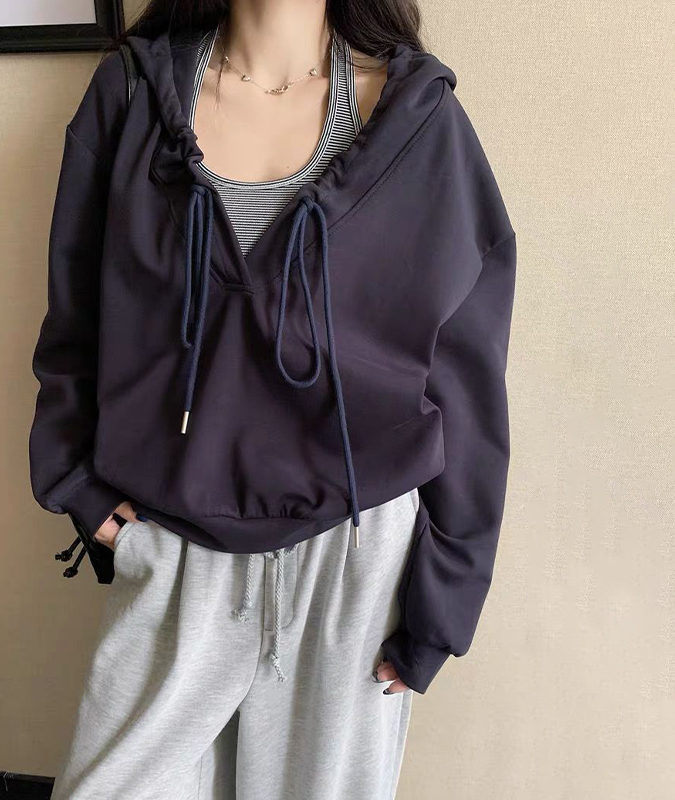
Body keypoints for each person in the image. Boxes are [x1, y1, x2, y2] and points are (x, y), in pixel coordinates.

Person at [28, 1, 517, 797]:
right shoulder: (131, 96)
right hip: (174, 548)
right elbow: (75, 315)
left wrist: (447, 596)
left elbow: (466, 373)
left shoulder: (418, 123)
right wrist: (76, 486)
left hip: (353, 567)